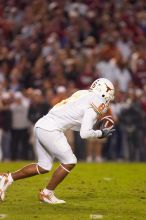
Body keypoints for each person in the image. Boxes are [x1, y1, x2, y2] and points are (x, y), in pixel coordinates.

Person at [0, 78, 115, 204]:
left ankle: (7, 178)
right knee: (70, 161)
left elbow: (74, 122)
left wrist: (95, 125)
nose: (108, 100)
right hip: (51, 129)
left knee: (44, 166)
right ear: (104, 92)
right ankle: (47, 193)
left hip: (42, 125)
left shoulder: (83, 94)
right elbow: (84, 134)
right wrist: (100, 133)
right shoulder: (97, 101)